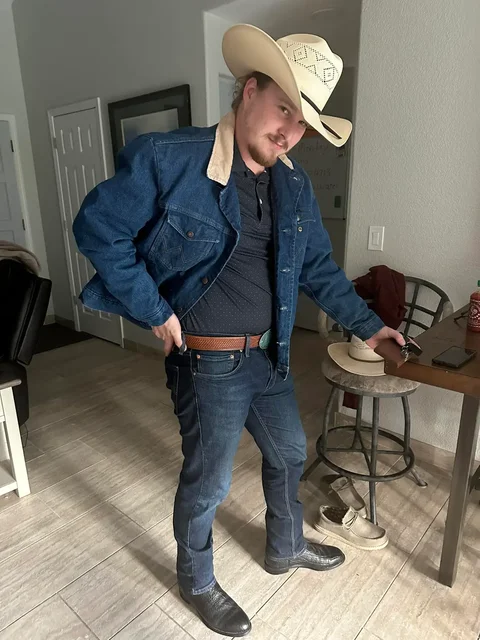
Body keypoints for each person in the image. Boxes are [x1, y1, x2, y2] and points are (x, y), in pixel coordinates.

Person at [73, 25, 404, 638]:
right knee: (210, 482)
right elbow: (98, 229)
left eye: (303, 123)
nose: (290, 132)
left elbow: (318, 269)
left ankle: (284, 546)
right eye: (284, 109)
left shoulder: (294, 184)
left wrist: (370, 326)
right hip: (209, 363)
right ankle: (197, 579)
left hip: (270, 357)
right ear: (249, 90)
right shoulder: (170, 158)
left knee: (290, 453)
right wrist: (154, 309)